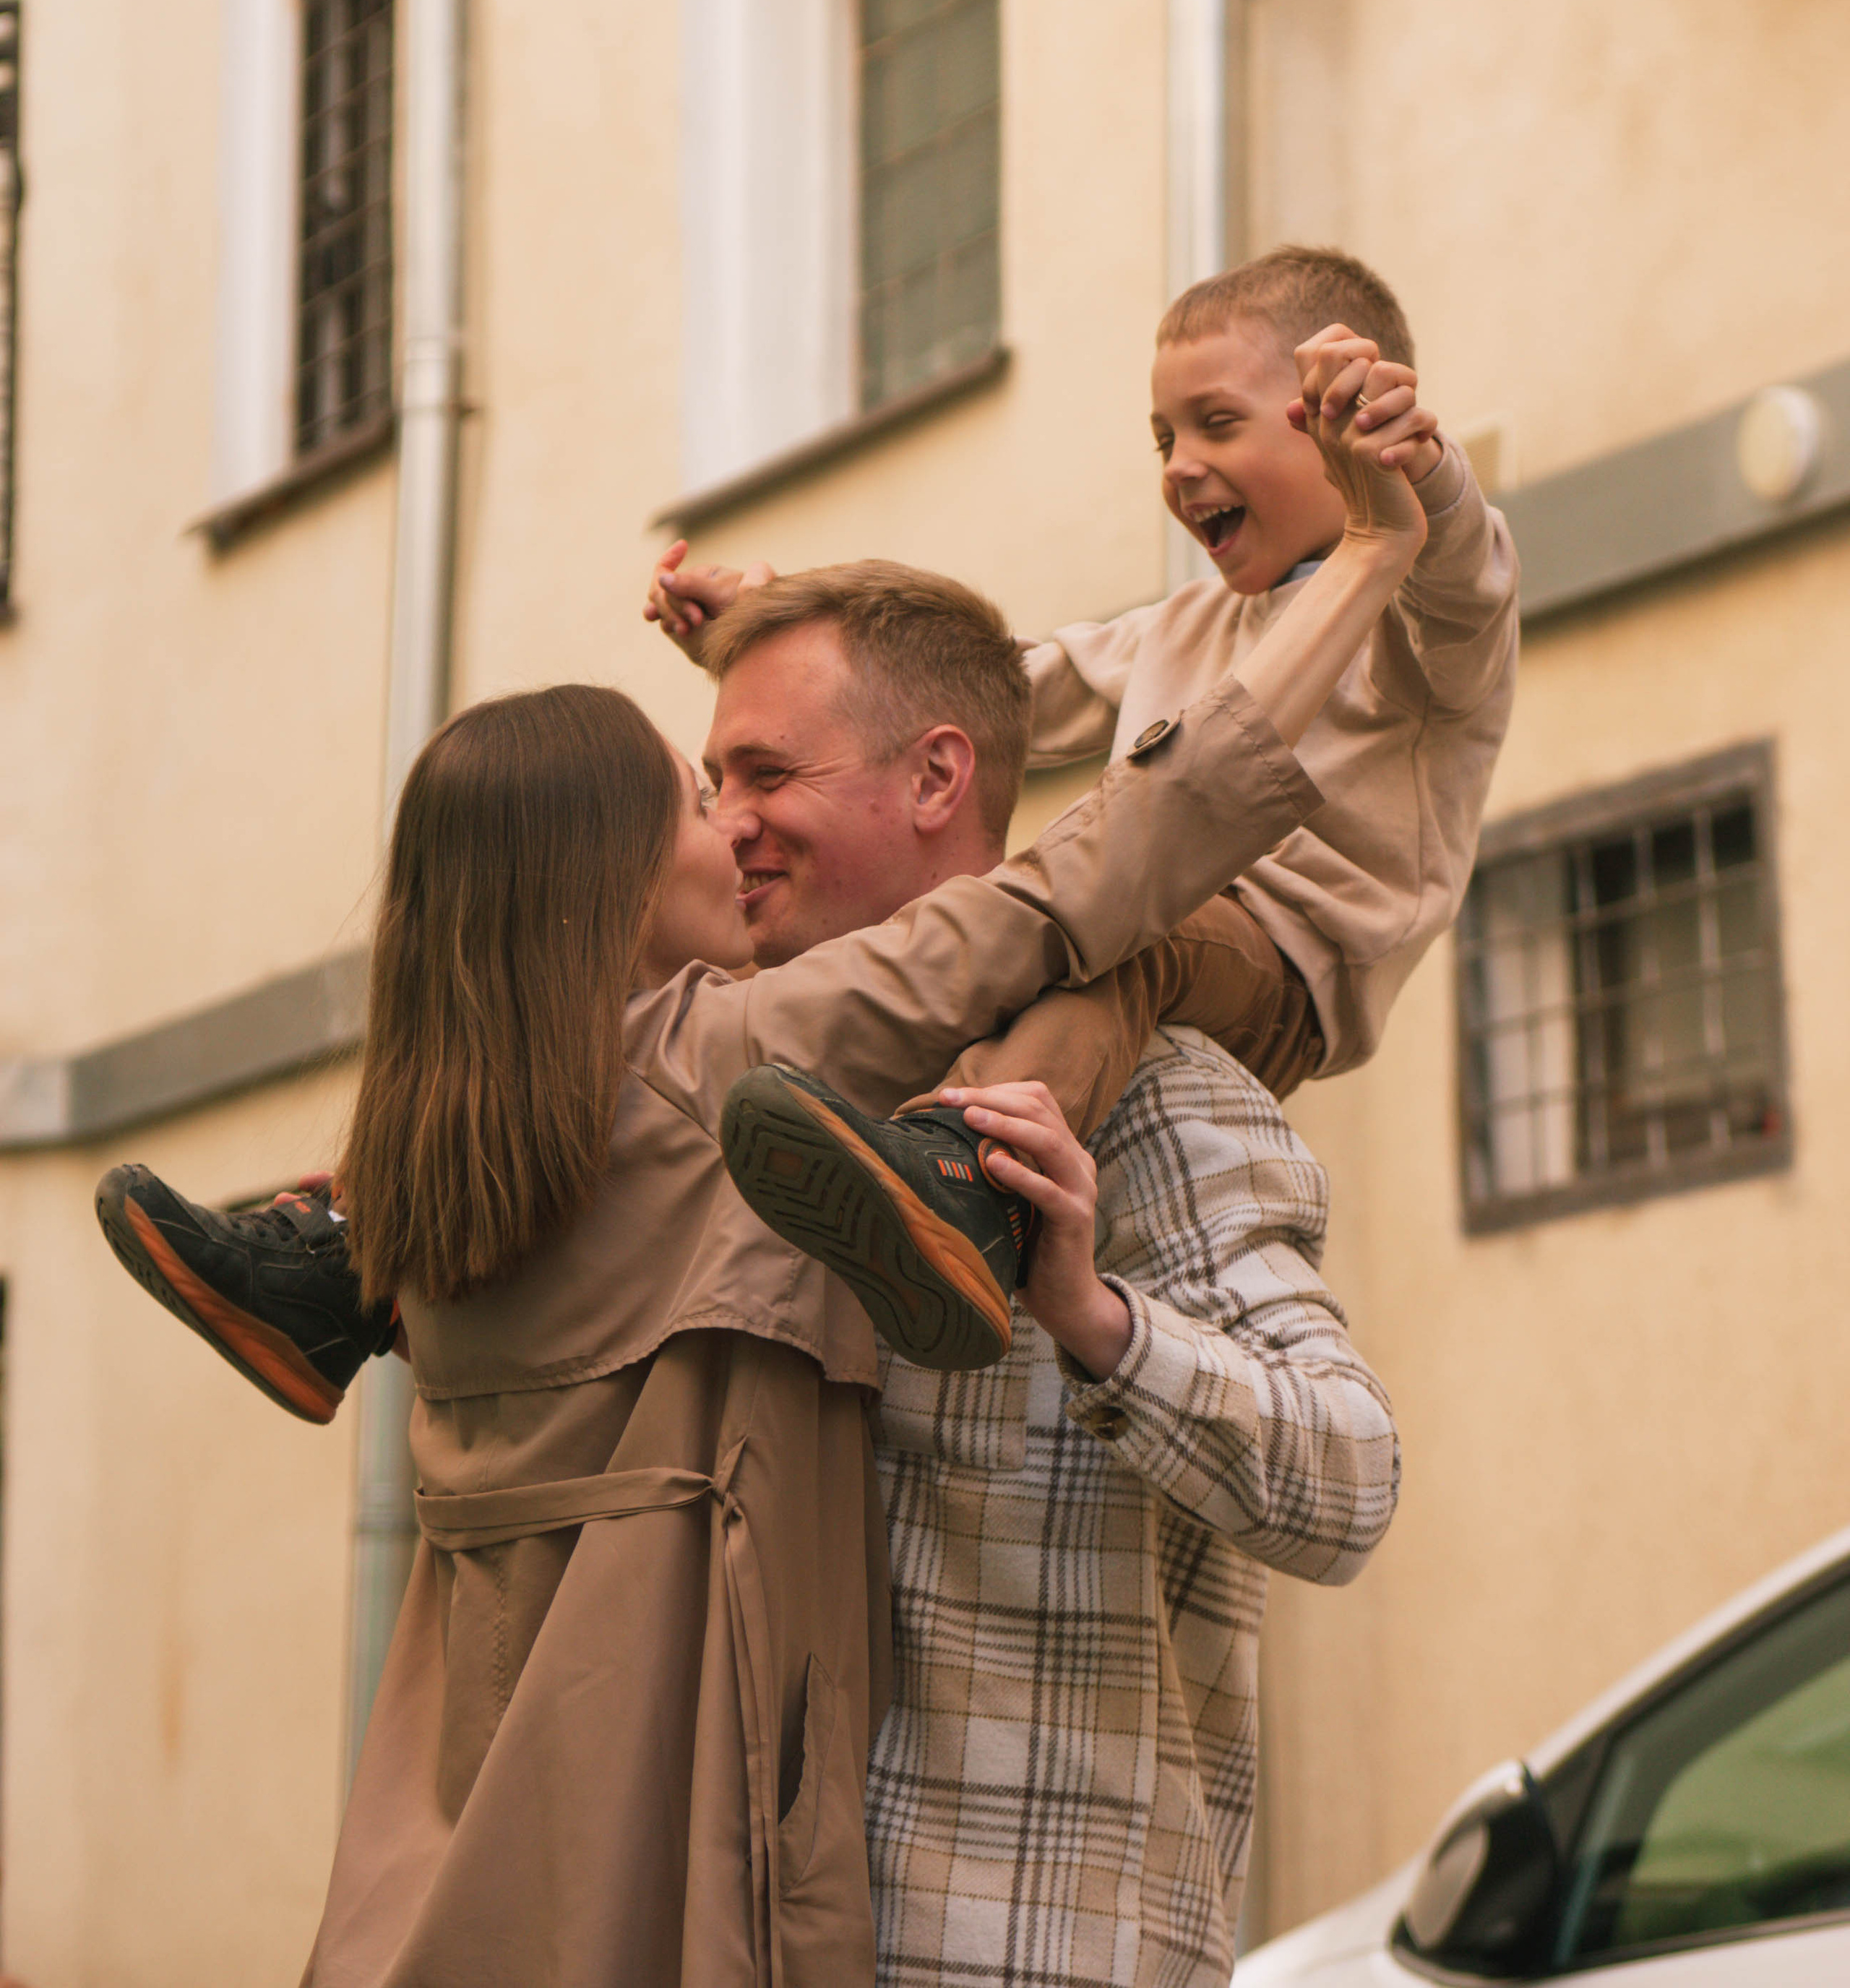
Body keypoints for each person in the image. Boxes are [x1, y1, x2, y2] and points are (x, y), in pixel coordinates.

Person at [98, 384, 1422, 1987]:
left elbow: (1346, 1482)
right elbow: (1085, 867)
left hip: (987, 1946)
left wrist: (1090, 1315)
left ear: (935, 780)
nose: (731, 829)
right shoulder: (704, 1081)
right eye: (702, 792)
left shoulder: (1145, 1113)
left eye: (757, 777)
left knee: (1131, 960)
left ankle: (327, 1256)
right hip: (732, 1925)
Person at [649, 248, 1518, 1350]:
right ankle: (901, 1156)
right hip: (1159, 913)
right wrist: (770, 614)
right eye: (1165, 439)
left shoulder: (1412, 623)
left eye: (1217, 423)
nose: (1182, 466)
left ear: (1335, 424)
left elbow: (1465, 589)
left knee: (1122, 933)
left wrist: (1420, 474)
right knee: (1024, 921)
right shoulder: (1179, 628)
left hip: (1288, 968)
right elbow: (986, 692)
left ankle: (972, 1185)